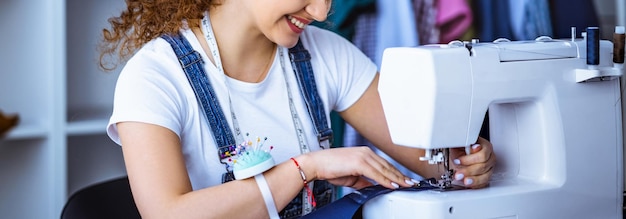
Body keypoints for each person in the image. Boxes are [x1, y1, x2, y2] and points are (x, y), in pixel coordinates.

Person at [100, 0, 496, 218]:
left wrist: (469, 161)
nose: (323, 12)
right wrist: (307, 167)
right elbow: (168, 216)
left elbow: (435, 160)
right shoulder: (154, 78)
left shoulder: (329, 55)